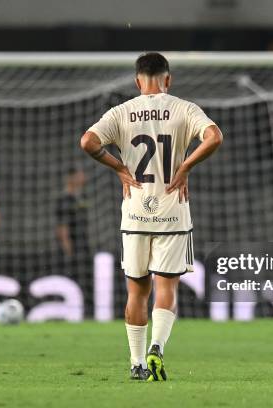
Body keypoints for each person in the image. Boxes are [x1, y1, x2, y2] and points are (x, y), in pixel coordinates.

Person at [81, 52, 223, 381]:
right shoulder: (185, 109)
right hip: (173, 210)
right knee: (166, 288)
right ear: (168, 79)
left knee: (136, 292)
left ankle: (135, 363)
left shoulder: (121, 112)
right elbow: (214, 137)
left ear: (137, 81)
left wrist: (118, 167)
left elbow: (87, 141)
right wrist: (186, 165)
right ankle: (156, 347)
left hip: (134, 212)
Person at [55, 167, 92, 317]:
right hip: (73, 250)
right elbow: (62, 228)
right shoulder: (64, 200)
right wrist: (68, 250)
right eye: (80, 174)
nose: (83, 177)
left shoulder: (80, 197)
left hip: (83, 247)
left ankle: (85, 314)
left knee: (85, 282)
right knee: (74, 281)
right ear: (71, 178)